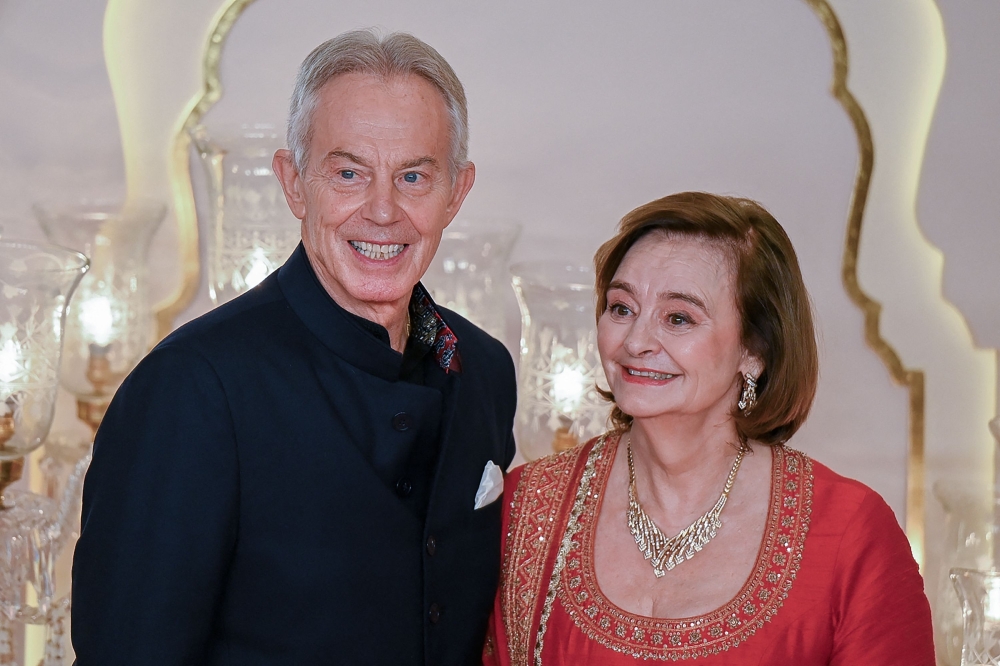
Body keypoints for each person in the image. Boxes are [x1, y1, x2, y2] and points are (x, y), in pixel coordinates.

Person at [72, 30, 517, 665]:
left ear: (457, 192)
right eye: (348, 173)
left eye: (414, 176)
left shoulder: (485, 370)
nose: (383, 211)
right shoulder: (190, 389)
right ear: (293, 184)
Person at [483, 192, 934, 665]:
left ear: (754, 350)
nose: (636, 341)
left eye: (679, 318)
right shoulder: (528, 509)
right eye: (621, 308)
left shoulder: (849, 534)